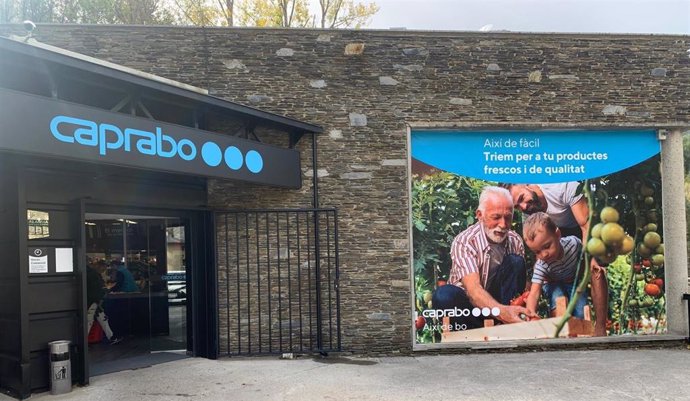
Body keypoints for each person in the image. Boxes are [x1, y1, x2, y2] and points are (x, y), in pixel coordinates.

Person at [502, 182, 607, 336]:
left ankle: (601, 327)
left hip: (579, 230)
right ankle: (560, 333)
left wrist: (589, 257)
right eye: (517, 207)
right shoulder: (529, 213)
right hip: (550, 237)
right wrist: (540, 276)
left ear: (527, 183)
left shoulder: (562, 188)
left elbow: (586, 225)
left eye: (522, 198)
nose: (523, 207)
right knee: (554, 290)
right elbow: (535, 244)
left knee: (596, 269)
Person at [432, 186, 537, 330]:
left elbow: (518, 284)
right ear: (480, 215)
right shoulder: (465, 241)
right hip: (471, 307)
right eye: (496, 217)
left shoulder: (515, 240)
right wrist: (502, 312)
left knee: (516, 262)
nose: (503, 225)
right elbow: (473, 291)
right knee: (443, 295)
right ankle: (480, 329)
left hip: (501, 305)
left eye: (508, 217)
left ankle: (505, 324)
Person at [522, 212, 587, 319]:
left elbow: (586, 255)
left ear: (557, 234)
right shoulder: (541, 265)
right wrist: (530, 313)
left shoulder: (574, 244)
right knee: (559, 302)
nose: (544, 254)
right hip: (552, 283)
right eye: (537, 252)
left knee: (581, 312)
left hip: (571, 280)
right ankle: (560, 333)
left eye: (547, 246)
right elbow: (534, 293)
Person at [86, 261, 122, 344]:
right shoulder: (95, 276)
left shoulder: (90, 274)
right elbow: (97, 290)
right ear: (99, 266)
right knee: (90, 320)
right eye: (103, 268)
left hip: (93, 300)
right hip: (94, 301)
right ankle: (110, 337)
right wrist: (106, 289)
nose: (104, 270)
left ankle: (111, 337)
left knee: (101, 318)